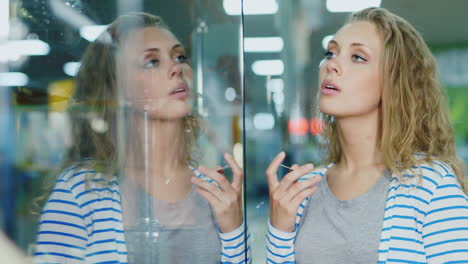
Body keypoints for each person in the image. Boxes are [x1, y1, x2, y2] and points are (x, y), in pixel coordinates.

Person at [34, 12, 249, 264]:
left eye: (180, 56)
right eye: (152, 61)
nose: (177, 68)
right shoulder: (81, 192)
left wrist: (234, 229)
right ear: (117, 89)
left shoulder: (213, 191)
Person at [265, 7, 468, 264]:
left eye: (358, 57)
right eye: (331, 52)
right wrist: (279, 231)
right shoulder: (304, 191)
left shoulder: (430, 186)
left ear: (394, 81)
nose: (332, 64)